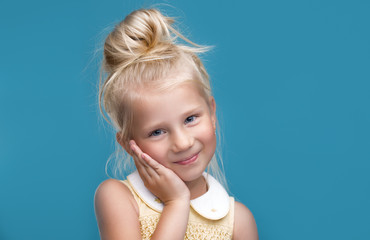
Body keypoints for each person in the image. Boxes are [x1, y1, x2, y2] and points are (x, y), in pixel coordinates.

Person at [94, 8, 258, 240]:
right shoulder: (118, 198)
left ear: (212, 113)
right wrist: (176, 203)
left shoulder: (238, 222)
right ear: (128, 144)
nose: (182, 143)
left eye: (190, 119)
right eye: (157, 132)